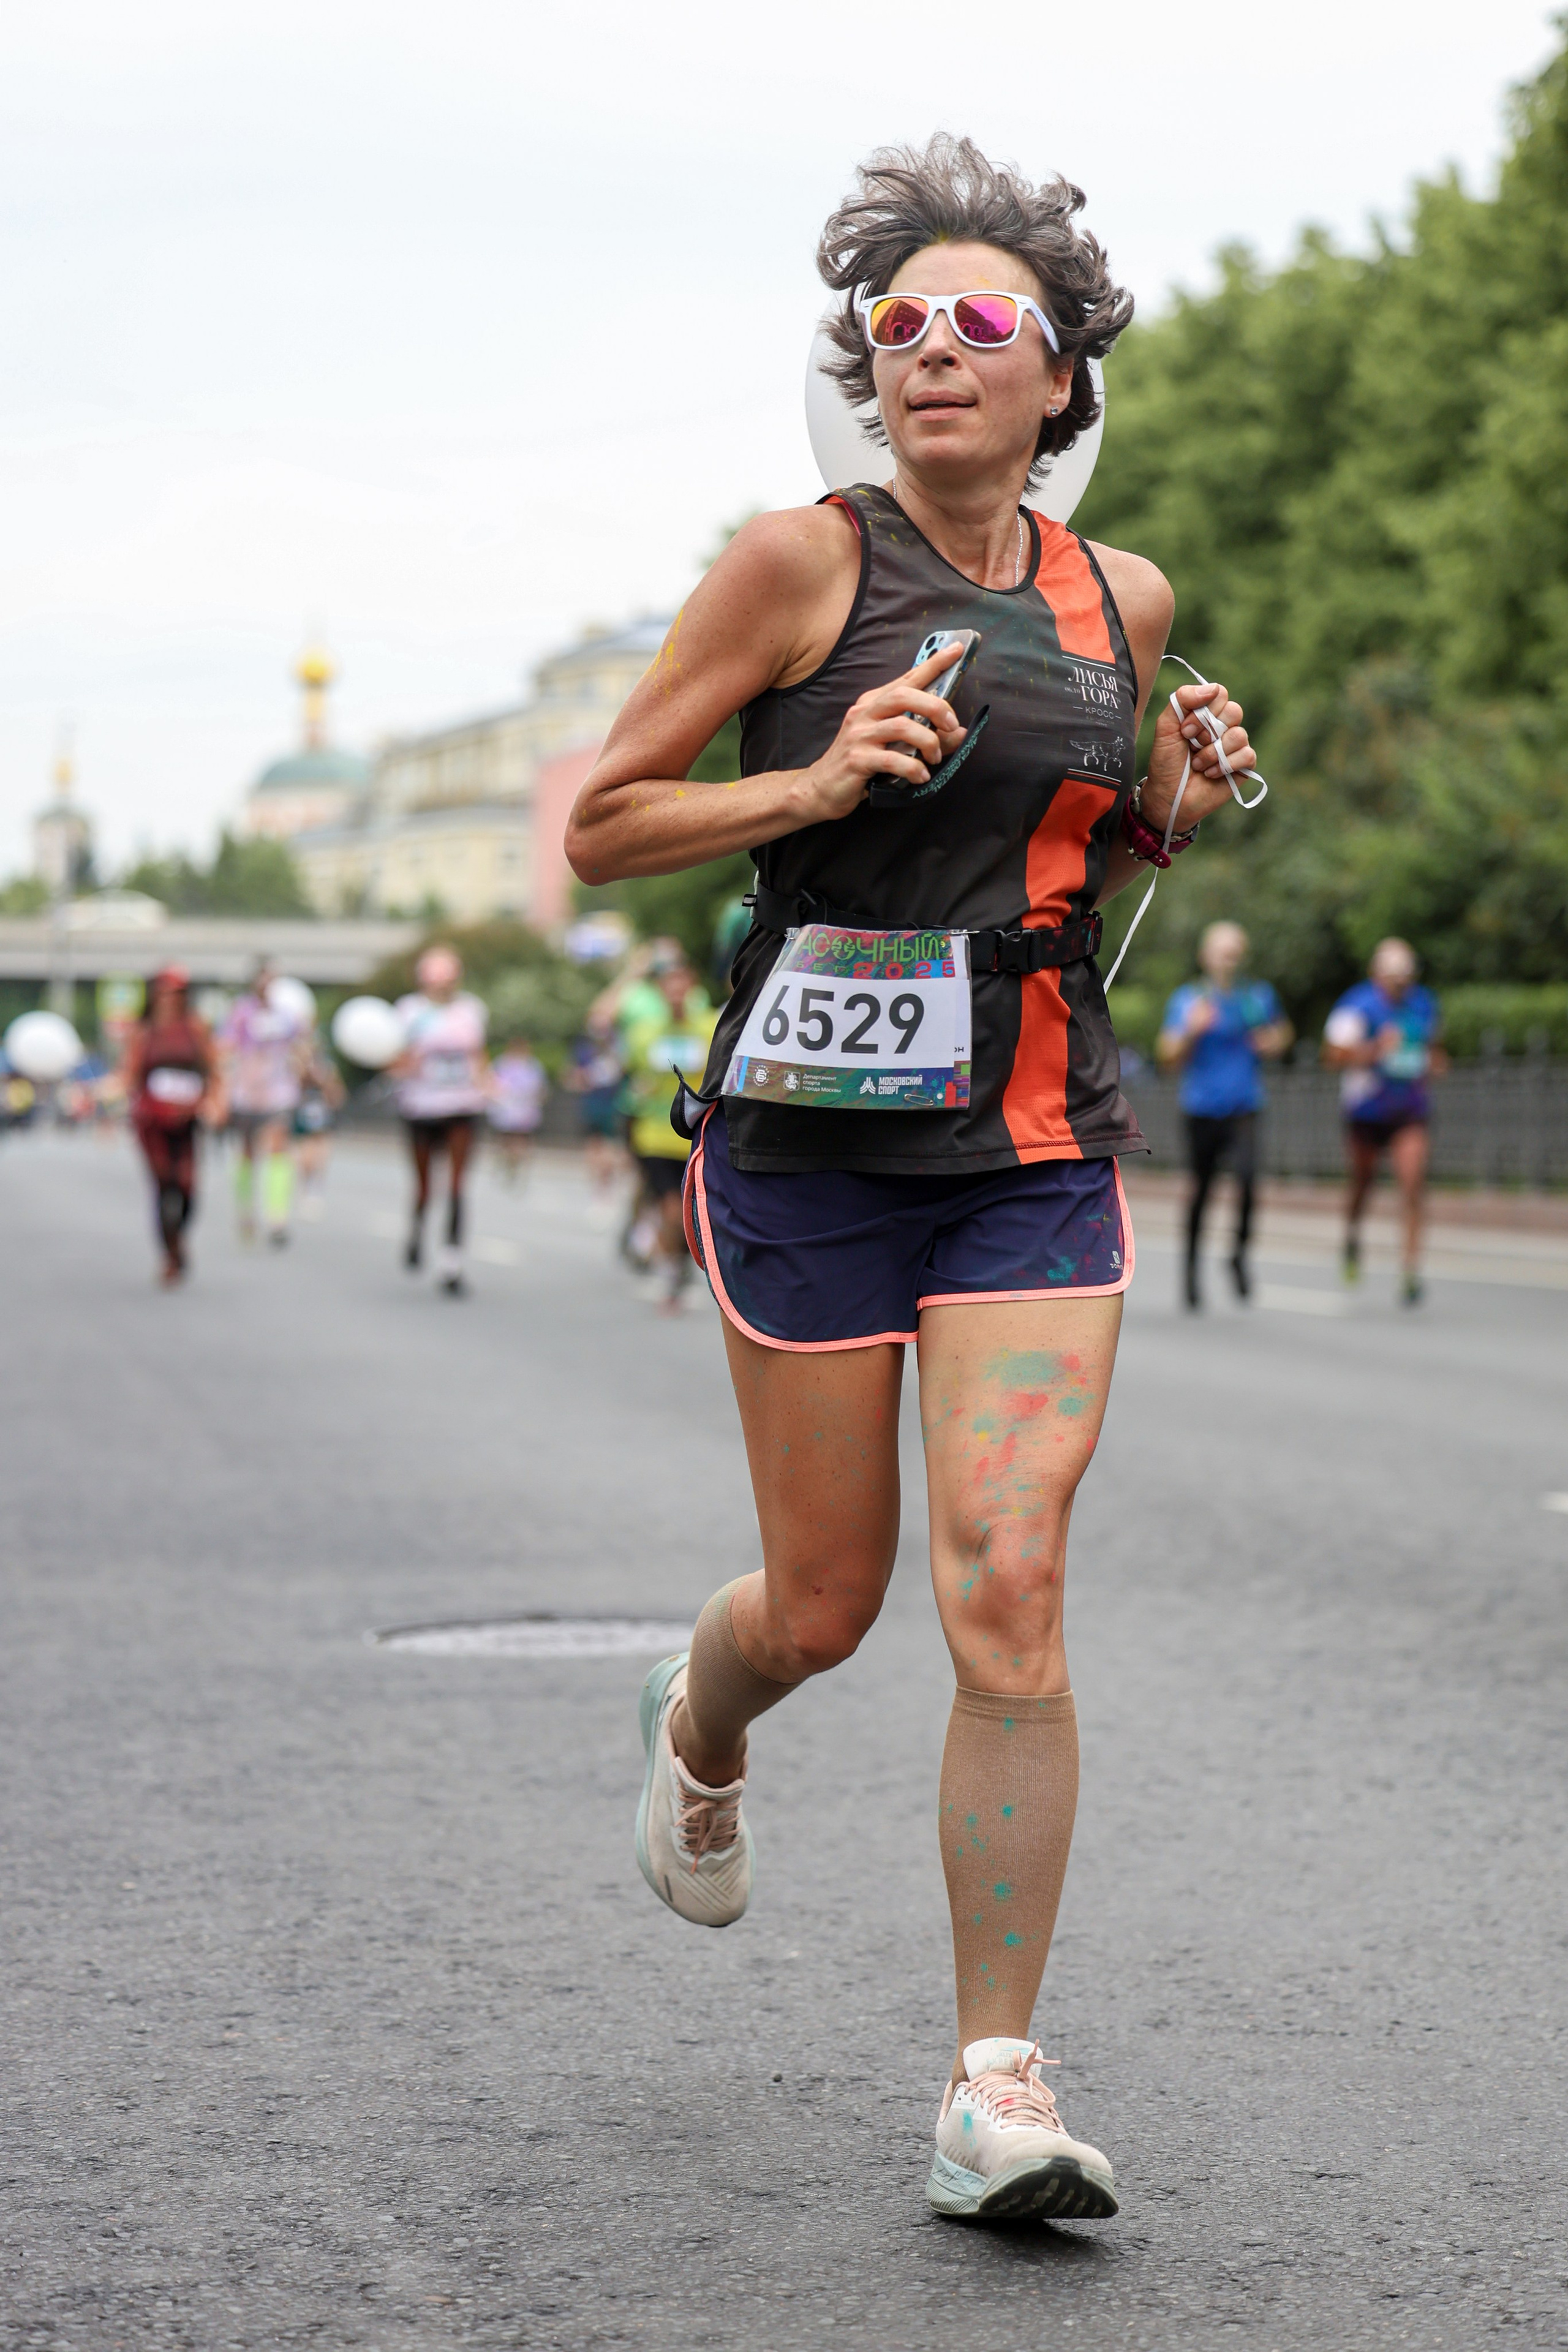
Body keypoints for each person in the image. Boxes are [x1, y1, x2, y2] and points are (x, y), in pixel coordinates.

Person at [565, 135, 1260, 2223]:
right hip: (808, 1145)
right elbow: (608, 821)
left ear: (1060, 378)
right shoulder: (797, 565)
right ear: (868, 375)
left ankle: (994, 2086)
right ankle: (705, 1713)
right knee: (831, 1602)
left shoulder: (1117, 598)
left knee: (1013, 1579)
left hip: (1034, 1139)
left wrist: (1169, 796)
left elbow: (1081, 859)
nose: (932, 353)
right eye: (897, 326)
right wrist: (813, 771)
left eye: (982, 325)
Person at [1157, 920, 1292, 1308]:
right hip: (1201, 1107)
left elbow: (1282, 1033)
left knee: (1249, 1181)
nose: (1228, 958)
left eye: (1235, 951)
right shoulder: (1189, 1000)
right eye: (1221, 950)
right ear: (1206, 956)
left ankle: (1238, 1255)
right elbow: (1167, 1056)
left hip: (1245, 1103)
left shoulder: (1256, 997)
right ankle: (1191, 1273)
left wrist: (1273, 1041)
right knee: (1202, 1190)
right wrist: (1192, 1032)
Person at [1322, 937, 1446, 1305]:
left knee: (1412, 1184)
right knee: (1363, 1184)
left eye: (1407, 974)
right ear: (1377, 973)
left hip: (1410, 1109)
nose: (1400, 981)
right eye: (1393, 974)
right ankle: (1352, 1239)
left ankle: (1410, 1269)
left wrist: (1435, 1063)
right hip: (1367, 1110)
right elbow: (1333, 1056)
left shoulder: (1423, 1004)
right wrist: (1376, 1050)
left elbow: (1433, 1050)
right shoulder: (1357, 1005)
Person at [619, 954, 717, 1310]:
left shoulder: (709, 1027)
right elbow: (632, 1074)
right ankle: (672, 1273)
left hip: (697, 1134)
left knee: (691, 1210)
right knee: (670, 1209)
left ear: (691, 988)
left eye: (682, 985)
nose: (676, 993)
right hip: (656, 1133)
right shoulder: (644, 1033)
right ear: (661, 992)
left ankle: (678, 1263)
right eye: (669, 987)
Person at [394, 945, 491, 1295]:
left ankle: (452, 1263)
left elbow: (478, 1056)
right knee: (423, 1186)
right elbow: (393, 1058)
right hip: (420, 1107)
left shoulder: (471, 1010)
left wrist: (488, 1084)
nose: (443, 989)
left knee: (457, 1185)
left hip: (462, 1106)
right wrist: (405, 1067)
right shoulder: (408, 1012)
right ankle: (417, 1230)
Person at [124, 965, 222, 1284]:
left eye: (176, 993)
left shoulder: (195, 1028)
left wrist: (213, 1102)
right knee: (163, 1183)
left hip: (188, 1118)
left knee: (187, 1186)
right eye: (163, 992)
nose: (168, 999)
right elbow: (129, 1075)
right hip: (153, 1121)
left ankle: (180, 1237)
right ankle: (171, 1253)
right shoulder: (143, 1032)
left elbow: (213, 1070)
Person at [218, 961, 307, 1246]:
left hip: (279, 1091)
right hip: (247, 1091)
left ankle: (277, 1217)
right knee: (247, 1153)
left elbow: (302, 1046)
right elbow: (225, 1049)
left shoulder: (288, 1014)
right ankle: (246, 1212)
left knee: (279, 1147)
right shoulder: (241, 1013)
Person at [561, 1012, 625, 1192]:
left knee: (610, 1147)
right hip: (591, 1103)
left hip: (612, 1104)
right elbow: (571, 1077)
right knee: (593, 1145)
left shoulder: (618, 1049)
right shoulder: (584, 1051)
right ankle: (598, 1185)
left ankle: (606, 1182)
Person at [292, 1036, 345, 1220]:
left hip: (323, 1117)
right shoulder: (297, 1068)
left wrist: (325, 1084)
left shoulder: (328, 1069)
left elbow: (337, 1094)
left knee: (321, 1155)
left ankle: (316, 1190)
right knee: (305, 1158)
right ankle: (305, 1187)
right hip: (303, 1118)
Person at [487, 1034, 548, 1182]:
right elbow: (491, 1084)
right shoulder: (502, 1063)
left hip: (525, 1109)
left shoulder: (532, 1065)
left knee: (520, 1138)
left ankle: (516, 1164)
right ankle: (508, 1161)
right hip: (506, 1109)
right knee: (506, 1138)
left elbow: (540, 1088)